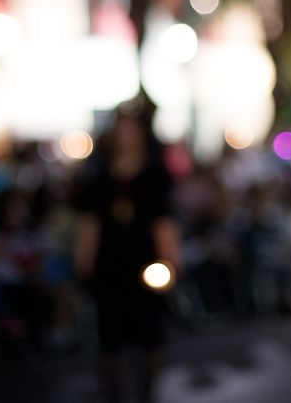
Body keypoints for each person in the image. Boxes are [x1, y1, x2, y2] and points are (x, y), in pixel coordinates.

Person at [74, 103, 182, 403]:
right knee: (111, 346)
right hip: (110, 270)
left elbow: (164, 222)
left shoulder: (154, 177)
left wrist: (171, 261)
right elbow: (89, 226)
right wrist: (83, 266)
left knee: (149, 342)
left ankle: (147, 395)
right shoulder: (99, 181)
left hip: (146, 268)